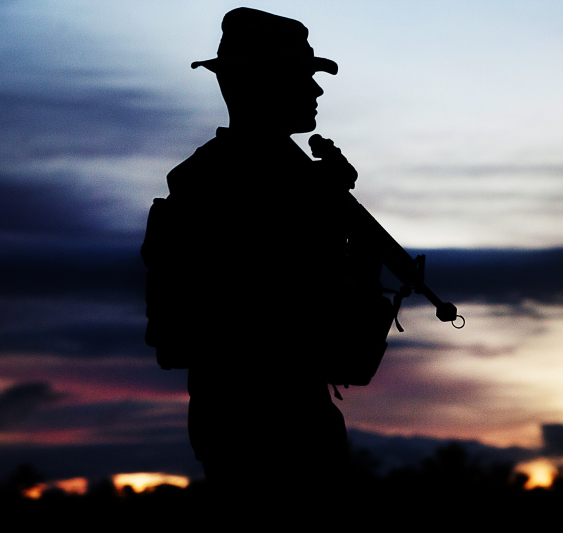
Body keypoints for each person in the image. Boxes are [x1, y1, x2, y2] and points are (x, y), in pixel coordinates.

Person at [141, 8, 392, 516]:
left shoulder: (237, 174)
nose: (316, 91)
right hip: (269, 416)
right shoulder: (246, 179)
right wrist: (328, 213)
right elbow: (285, 303)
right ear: (262, 84)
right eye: (301, 77)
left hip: (256, 409)